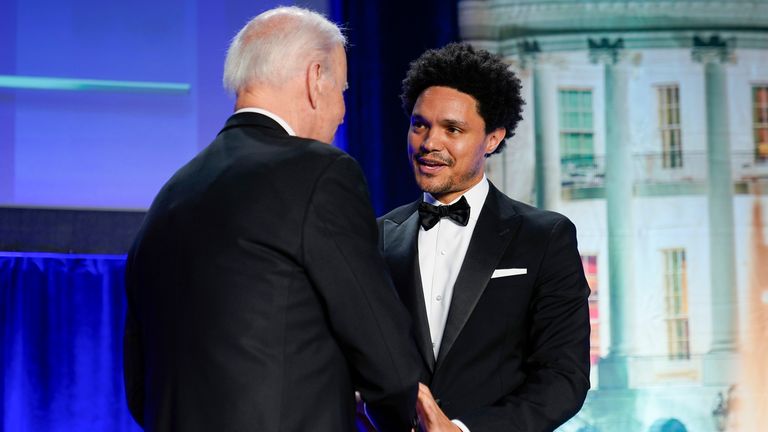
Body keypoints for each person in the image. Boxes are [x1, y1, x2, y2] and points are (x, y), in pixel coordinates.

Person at [123, 7, 420, 432]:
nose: (342, 111)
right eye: (342, 89)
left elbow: (140, 385)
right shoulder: (321, 171)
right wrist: (403, 413)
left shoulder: (172, 194)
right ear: (316, 78)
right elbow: (386, 359)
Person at [377, 43, 591, 432]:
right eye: (419, 124)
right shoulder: (378, 237)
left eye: (452, 129)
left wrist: (461, 430)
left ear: (492, 139)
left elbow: (564, 378)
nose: (429, 143)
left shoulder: (545, 237)